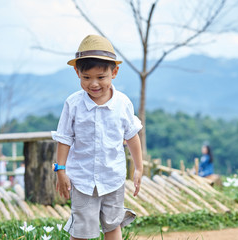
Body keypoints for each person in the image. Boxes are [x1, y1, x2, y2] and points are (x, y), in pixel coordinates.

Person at [51, 35, 143, 240]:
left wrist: (138, 168)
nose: (93, 84)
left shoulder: (123, 104)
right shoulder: (73, 104)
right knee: (81, 228)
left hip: (113, 177)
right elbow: (64, 139)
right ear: (77, 72)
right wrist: (61, 170)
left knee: (112, 224)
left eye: (101, 77)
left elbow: (132, 136)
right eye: (86, 77)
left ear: (114, 72)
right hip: (82, 179)